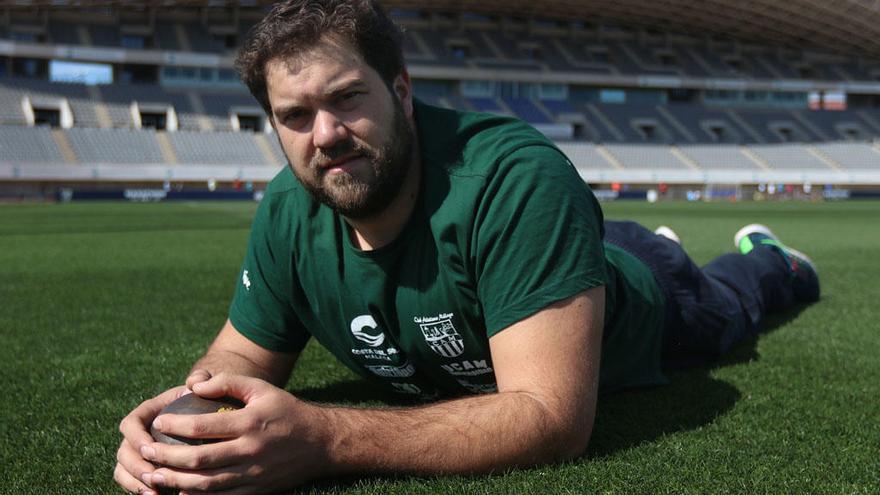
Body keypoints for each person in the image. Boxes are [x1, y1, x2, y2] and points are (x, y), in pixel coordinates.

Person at [113, 1, 821, 493]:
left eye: (347, 98)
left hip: (657, 300)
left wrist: (325, 438)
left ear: (402, 90)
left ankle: (769, 257)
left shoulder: (513, 179)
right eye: (295, 115)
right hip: (551, 260)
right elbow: (238, 353)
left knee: (734, 304)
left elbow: (549, 417)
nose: (323, 133)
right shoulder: (288, 211)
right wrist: (183, 417)